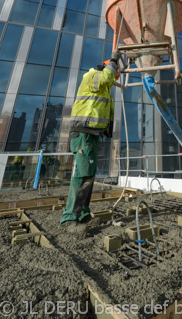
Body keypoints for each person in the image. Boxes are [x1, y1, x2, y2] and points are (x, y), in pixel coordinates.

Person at [60, 51, 120, 228]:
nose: (115, 79)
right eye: (115, 73)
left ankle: (83, 214)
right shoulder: (92, 76)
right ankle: (70, 217)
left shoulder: (103, 88)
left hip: (91, 135)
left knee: (89, 175)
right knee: (82, 174)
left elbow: (101, 110)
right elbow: (107, 77)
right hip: (83, 135)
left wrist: (107, 128)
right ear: (107, 68)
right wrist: (115, 60)